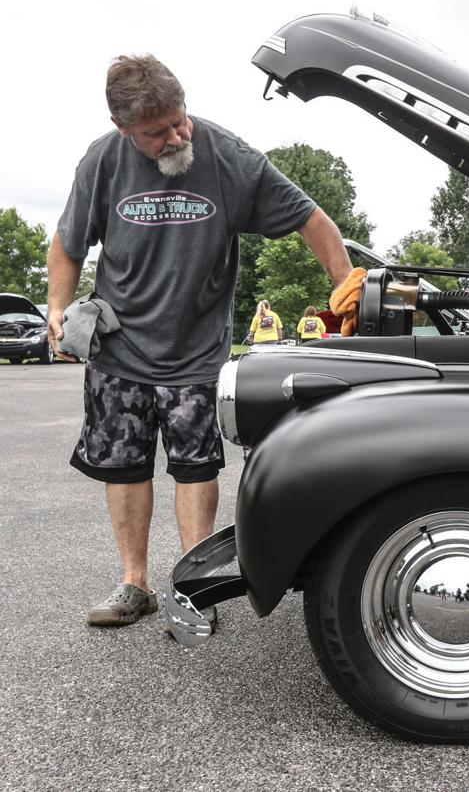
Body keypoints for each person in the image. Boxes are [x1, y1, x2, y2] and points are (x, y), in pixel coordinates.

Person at [45, 53, 361, 629]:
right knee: (124, 467)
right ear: (124, 130)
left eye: (178, 120)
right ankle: (134, 584)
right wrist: (58, 309)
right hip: (119, 348)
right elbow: (67, 244)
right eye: (156, 132)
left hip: (195, 351)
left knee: (194, 467)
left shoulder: (224, 155)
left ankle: (190, 592)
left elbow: (313, 219)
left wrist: (345, 285)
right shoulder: (102, 161)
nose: (175, 136)